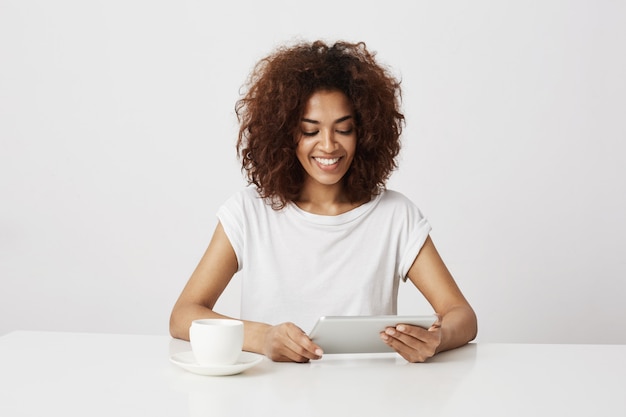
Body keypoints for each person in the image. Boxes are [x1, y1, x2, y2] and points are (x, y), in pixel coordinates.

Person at [170, 40, 477, 363]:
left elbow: (462, 316)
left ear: (365, 133)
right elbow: (183, 315)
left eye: (343, 129)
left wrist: (436, 339)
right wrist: (264, 337)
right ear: (285, 134)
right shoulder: (249, 212)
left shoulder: (395, 216)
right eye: (310, 131)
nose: (328, 145)